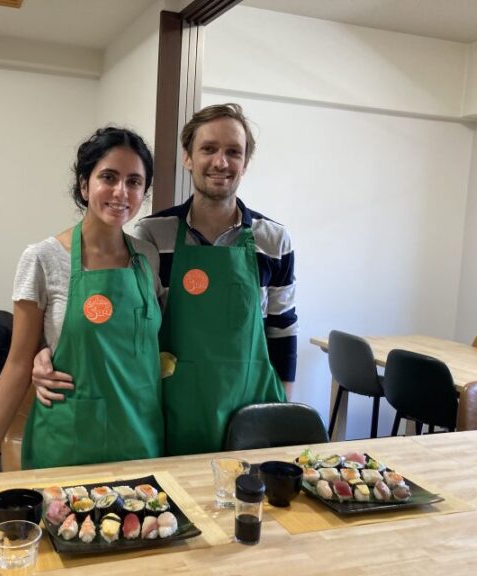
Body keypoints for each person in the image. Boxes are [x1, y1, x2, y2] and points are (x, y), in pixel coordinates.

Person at [33, 103, 297, 457]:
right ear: (187, 157)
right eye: (208, 149)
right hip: (173, 410)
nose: (221, 162)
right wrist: (44, 351)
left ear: (245, 162)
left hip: (250, 412)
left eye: (234, 152)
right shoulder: (153, 237)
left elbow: (283, 329)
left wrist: (283, 413)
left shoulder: (274, 241)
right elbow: (122, 326)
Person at [0, 127, 164, 481]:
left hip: (141, 440)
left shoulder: (147, 257)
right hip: (69, 442)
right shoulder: (43, 258)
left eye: (134, 182)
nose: (121, 192)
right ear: (85, 185)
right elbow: (18, 362)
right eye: (108, 177)